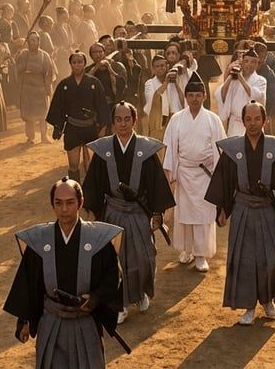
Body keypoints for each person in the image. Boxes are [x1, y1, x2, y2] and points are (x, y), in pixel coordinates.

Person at [2, 179, 122, 368]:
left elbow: (112, 275)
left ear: (80, 203)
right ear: (52, 205)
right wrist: (24, 320)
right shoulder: (40, 240)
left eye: (70, 203)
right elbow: (30, 282)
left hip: (85, 321)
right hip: (52, 321)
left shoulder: (97, 239)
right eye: (58, 203)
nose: (64, 209)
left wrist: (95, 298)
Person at [206, 102, 275, 325]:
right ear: (243, 121)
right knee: (245, 259)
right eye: (248, 119)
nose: (252, 124)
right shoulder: (234, 150)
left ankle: (267, 300)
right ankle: (249, 306)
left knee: (271, 257)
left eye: (257, 119)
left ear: (265, 121)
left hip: (267, 210)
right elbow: (225, 181)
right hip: (242, 209)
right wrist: (222, 209)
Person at [82, 102, 174, 324]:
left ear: (134, 121)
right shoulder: (103, 150)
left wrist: (157, 213)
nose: (123, 124)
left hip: (138, 212)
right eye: (118, 120)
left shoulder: (146, 149)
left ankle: (140, 292)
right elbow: (93, 185)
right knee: (117, 260)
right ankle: (120, 303)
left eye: (127, 119)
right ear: (113, 123)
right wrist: (94, 213)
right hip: (113, 211)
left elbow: (156, 184)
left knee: (144, 257)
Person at [161, 73, 225, 273]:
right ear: (186, 97)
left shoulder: (213, 120)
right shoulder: (177, 119)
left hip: (206, 174)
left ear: (204, 96)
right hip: (184, 173)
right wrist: (171, 173)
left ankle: (200, 254)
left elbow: (220, 149)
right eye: (191, 95)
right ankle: (187, 250)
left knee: (204, 215)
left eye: (198, 95)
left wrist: (219, 175)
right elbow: (170, 146)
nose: (195, 99)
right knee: (184, 215)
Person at [48, 52, 112, 182]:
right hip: (72, 127)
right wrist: (57, 126)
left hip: (90, 127)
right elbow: (58, 106)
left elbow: (101, 106)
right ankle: (75, 188)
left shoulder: (94, 83)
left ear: (84, 63)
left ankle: (91, 191)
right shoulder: (64, 84)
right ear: (70, 64)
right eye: (74, 62)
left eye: (80, 62)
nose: (77, 65)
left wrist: (103, 127)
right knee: (73, 164)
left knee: (91, 165)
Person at [12, 32, 57, 146]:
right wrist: (21, 62)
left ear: (38, 42)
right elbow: (17, 70)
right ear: (27, 42)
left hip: (40, 87)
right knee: (29, 114)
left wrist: (47, 88)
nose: (32, 43)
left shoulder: (44, 56)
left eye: (34, 40)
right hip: (27, 88)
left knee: (43, 114)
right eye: (30, 40)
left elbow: (49, 73)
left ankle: (44, 136)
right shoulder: (22, 54)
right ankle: (30, 137)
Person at [217, 49, 266, 137]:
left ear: (257, 64)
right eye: (246, 61)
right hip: (236, 124)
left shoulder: (260, 80)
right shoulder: (234, 80)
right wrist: (230, 74)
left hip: (253, 124)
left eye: (253, 62)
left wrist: (241, 78)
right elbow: (222, 95)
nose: (249, 64)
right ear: (242, 63)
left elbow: (256, 96)